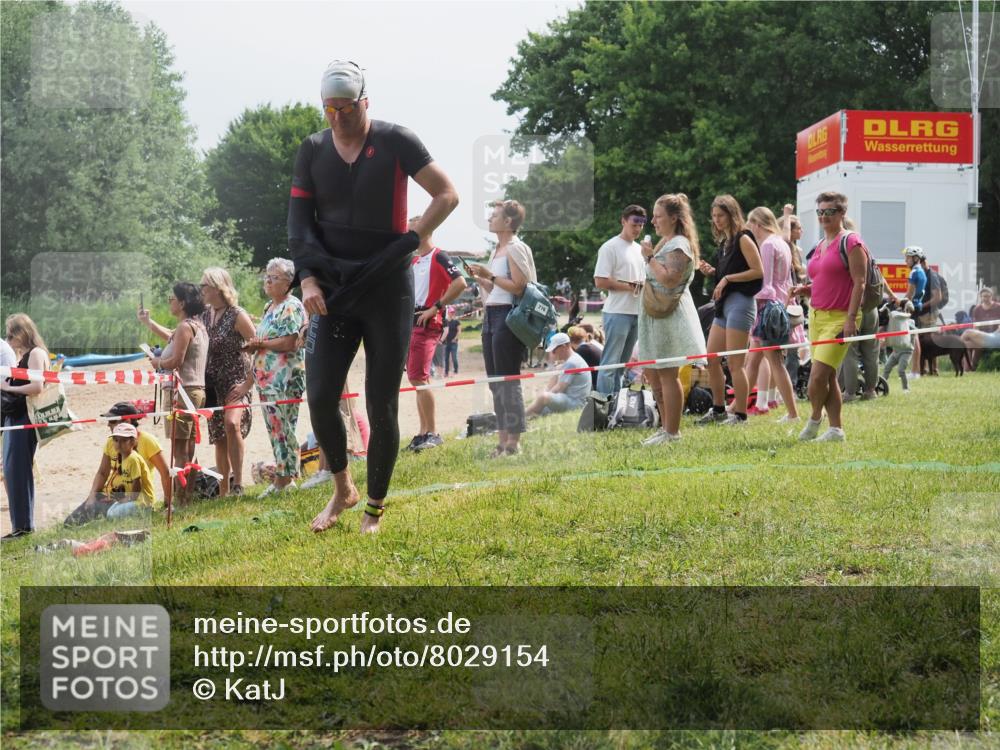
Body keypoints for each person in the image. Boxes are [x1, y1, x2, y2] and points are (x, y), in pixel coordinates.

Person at [288, 60, 458, 534]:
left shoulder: (396, 140)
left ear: (365, 103)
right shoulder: (312, 149)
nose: (338, 117)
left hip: (387, 289)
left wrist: (414, 237)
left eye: (347, 107)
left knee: (381, 402)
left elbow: (447, 194)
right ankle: (343, 487)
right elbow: (299, 225)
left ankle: (374, 509)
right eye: (329, 109)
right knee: (321, 397)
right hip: (334, 290)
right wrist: (307, 280)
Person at [791, 191, 870, 442]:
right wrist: (808, 289)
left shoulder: (852, 242)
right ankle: (836, 429)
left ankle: (814, 419)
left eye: (830, 212)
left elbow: (860, 283)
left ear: (842, 214)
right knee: (828, 376)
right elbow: (825, 279)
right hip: (816, 316)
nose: (824, 216)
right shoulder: (820, 245)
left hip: (840, 318)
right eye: (820, 212)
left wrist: (850, 319)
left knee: (816, 376)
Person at [467, 200, 537, 457]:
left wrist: (492, 277)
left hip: (509, 318)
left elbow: (520, 287)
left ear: (508, 222)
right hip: (491, 316)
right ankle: (502, 440)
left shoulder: (516, 248)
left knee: (508, 380)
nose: (489, 219)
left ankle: (513, 443)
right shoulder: (497, 249)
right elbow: (498, 288)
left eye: (494, 215)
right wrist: (483, 281)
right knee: (496, 382)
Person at [637, 193, 707, 444]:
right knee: (655, 375)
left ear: (674, 218)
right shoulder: (667, 240)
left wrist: (648, 258)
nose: (653, 222)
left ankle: (673, 432)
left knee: (668, 374)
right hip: (656, 315)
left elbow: (669, 278)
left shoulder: (679, 243)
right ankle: (666, 427)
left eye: (658, 216)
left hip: (669, 316)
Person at [696, 195, 763, 425]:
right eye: (714, 217)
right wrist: (713, 272)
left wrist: (726, 278)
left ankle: (741, 414)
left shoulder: (743, 238)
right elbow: (727, 273)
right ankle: (718, 409)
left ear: (732, 214)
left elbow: (757, 271)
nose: (717, 221)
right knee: (711, 358)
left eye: (721, 216)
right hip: (724, 305)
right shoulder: (724, 243)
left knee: (735, 363)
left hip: (741, 303)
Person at [139, 282, 208, 504]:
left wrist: (158, 361)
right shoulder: (196, 325)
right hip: (194, 390)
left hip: (182, 392)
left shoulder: (185, 327)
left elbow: (176, 360)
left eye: (172, 297)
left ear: (183, 302)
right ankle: (188, 497)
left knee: (179, 450)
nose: (170, 301)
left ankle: (180, 500)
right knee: (188, 447)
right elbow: (172, 336)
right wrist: (149, 323)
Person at [404, 216, 467, 452]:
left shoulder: (439, 255)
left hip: (427, 323)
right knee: (415, 379)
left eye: (412, 231)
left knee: (420, 378)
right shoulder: (414, 261)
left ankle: (432, 432)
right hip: (412, 322)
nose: (408, 235)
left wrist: (436, 307)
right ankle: (423, 432)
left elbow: (460, 283)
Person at [245, 258, 307, 496]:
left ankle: (286, 479)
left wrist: (261, 343)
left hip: (285, 379)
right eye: (266, 276)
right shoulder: (269, 307)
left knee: (284, 429)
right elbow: (269, 342)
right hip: (266, 379)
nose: (267, 281)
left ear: (289, 282)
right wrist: (255, 346)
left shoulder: (291, 306)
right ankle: (281, 477)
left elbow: (291, 342)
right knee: (274, 430)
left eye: (274, 277)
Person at [64, 402, 171, 526]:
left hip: (132, 499)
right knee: (70, 523)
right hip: (109, 496)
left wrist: (167, 505)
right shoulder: (112, 441)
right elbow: (102, 472)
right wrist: (92, 496)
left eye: (112, 421)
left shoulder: (148, 441)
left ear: (128, 421)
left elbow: (165, 473)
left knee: (106, 519)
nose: (108, 424)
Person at [200, 267, 255, 497]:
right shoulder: (204, 315)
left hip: (237, 382)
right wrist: (150, 324)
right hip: (212, 385)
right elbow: (180, 335)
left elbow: (259, 348)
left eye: (204, 285)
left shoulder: (237, 314)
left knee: (232, 425)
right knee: (219, 437)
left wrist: (247, 385)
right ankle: (223, 491)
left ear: (217, 287)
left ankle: (238, 484)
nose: (201, 289)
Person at [742, 207, 799, 421]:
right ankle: (737, 407)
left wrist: (746, 295)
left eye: (750, 225)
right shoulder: (781, 242)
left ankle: (793, 413)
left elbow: (765, 286)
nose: (749, 230)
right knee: (753, 360)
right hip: (780, 306)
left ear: (757, 223)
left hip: (767, 310)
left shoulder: (766, 245)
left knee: (775, 363)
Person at [1, 314, 48, 539]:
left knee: (18, 472)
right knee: (12, 471)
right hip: (16, 418)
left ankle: (24, 527)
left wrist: (9, 388)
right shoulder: (25, 355)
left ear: (23, 332)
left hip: (25, 418)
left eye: (12, 334)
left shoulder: (36, 354)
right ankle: (20, 525)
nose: (9, 339)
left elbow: (37, 386)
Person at [593, 204, 647, 395]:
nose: (638, 228)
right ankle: (604, 406)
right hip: (617, 312)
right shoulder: (610, 247)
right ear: (623, 221)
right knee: (609, 365)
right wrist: (631, 286)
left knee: (622, 366)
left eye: (642, 224)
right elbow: (600, 280)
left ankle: (617, 406)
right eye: (635, 223)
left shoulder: (641, 250)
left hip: (636, 313)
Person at [525, 332, 591, 417]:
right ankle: (527, 415)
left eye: (554, 350)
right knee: (540, 406)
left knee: (543, 397)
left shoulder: (571, 363)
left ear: (564, 346)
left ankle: (522, 417)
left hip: (575, 403)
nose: (553, 353)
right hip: (573, 400)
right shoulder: (573, 359)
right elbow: (553, 386)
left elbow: (559, 388)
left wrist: (544, 397)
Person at [102, 423, 156, 520]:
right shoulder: (123, 458)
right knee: (109, 512)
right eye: (116, 440)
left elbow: (137, 485)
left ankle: (144, 513)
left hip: (142, 502)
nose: (119, 444)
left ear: (133, 442)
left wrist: (127, 500)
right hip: (133, 499)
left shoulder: (133, 459)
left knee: (112, 515)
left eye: (124, 440)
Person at [883, 300, 916, 393]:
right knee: (886, 368)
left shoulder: (910, 322)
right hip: (895, 351)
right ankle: (880, 386)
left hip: (906, 352)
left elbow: (914, 330)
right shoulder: (896, 317)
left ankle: (905, 389)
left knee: (901, 370)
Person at [967, 287, 1000, 369]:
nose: (986, 298)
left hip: (996, 335)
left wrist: (993, 335)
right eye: (984, 296)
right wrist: (979, 335)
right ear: (980, 297)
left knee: (978, 344)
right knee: (968, 344)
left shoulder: (998, 307)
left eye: (988, 296)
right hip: (982, 335)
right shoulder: (977, 309)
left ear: (992, 296)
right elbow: (976, 326)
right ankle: (967, 368)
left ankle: (972, 367)